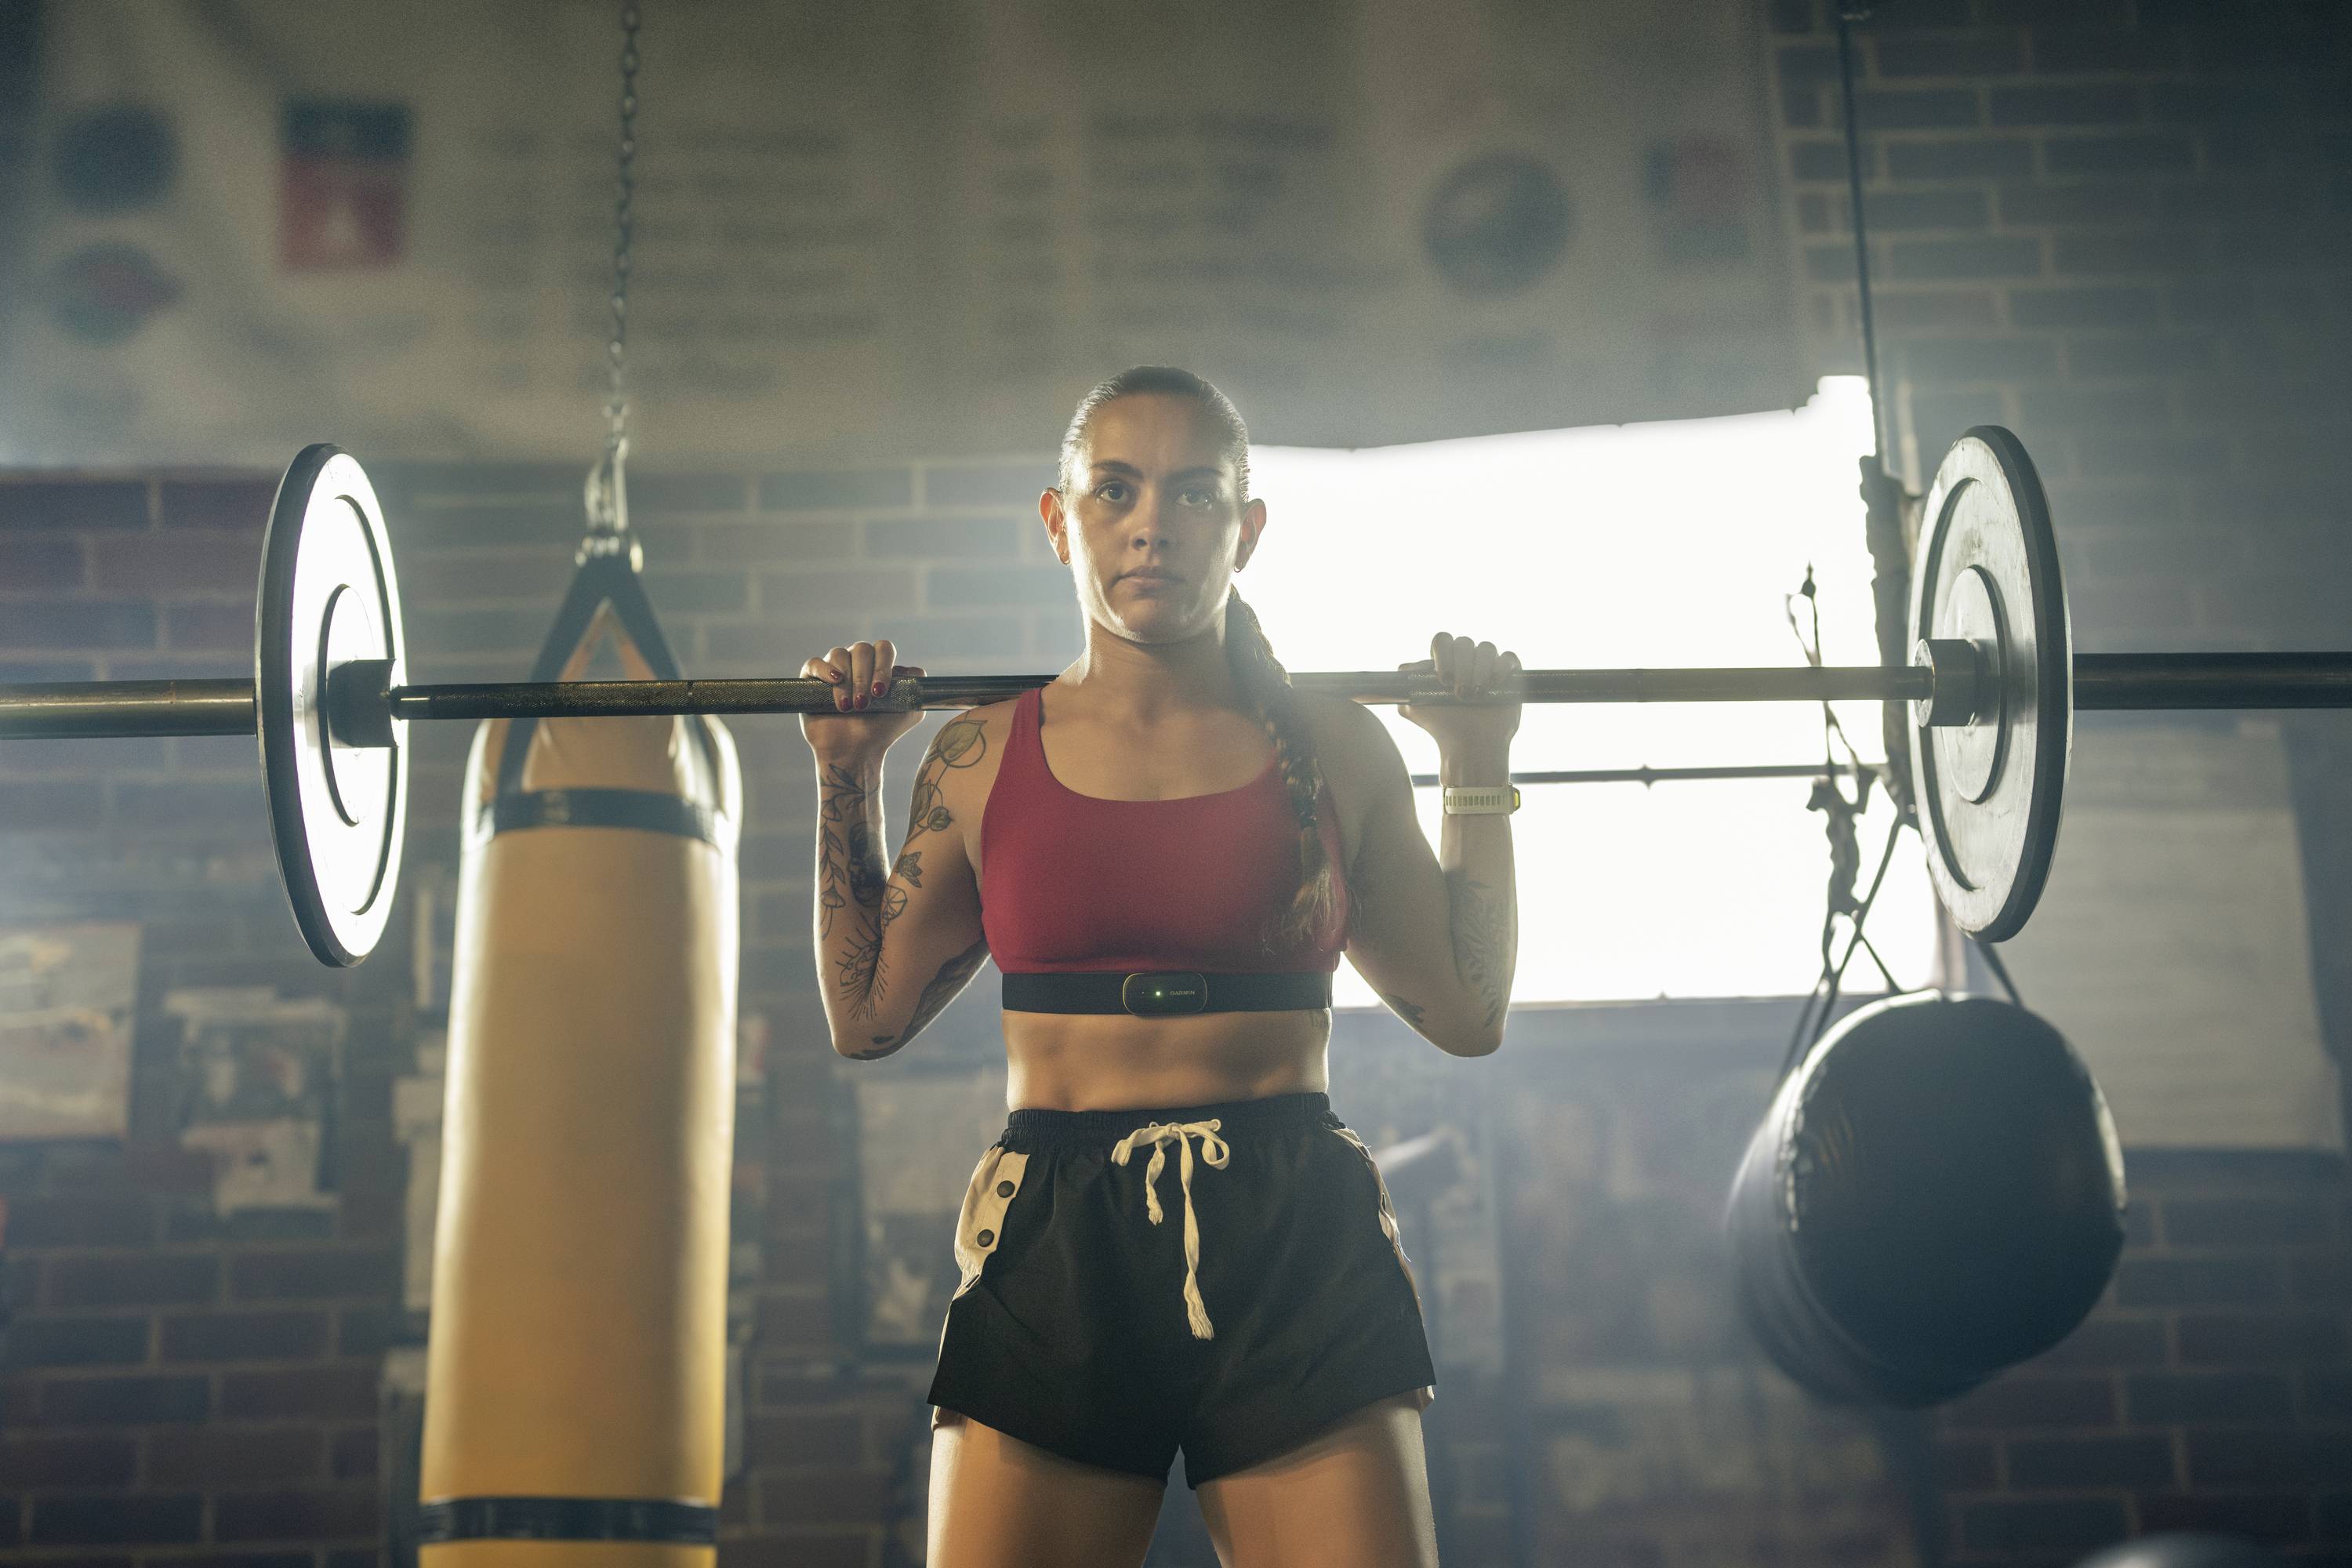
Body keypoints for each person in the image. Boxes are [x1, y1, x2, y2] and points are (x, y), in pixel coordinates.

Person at [799, 366, 1521, 1568]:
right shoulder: (980, 755)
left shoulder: (1338, 746)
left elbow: (1469, 1009)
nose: (1152, 524)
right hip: (1056, 1237)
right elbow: (866, 1018)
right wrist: (845, 771)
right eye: (1116, 490)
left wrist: (1478, 763)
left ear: (1245, 530)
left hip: (1295, 1230)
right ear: (1058, 519)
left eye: (1194, 495)